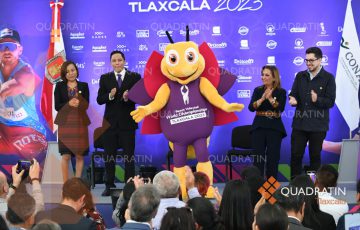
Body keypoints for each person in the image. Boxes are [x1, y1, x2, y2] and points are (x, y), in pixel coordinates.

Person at [97, 50, 141, 196]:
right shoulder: (105, 78)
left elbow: (141, 98)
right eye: (114, 61)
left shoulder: (135, 77)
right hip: (109, 125)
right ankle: (109, 185)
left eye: (119, 60)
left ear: (124, 61)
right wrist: (110, 95)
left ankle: (130, 185)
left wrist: (130, 97)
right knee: (109, 157)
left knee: (129, 156)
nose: (117, 63)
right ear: (111, 63)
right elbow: (99, 99)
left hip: (127, 124)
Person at [289, 47, 336, 179]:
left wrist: (317, 100)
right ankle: (294, 187)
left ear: (320, 60)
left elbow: (330, 102)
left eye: (311, 60)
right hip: (299, 124)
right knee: (295, 155)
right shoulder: (300, 76)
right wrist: (292, 99)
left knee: (315, 157)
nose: (308, 63)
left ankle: (315, 190)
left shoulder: (328, 78)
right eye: (306, 60)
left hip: (318, 126)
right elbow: (293, 94)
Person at [0, 28, 47, 159]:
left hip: (28, 130)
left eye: (11, 46)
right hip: (4, 131)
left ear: (20, 49)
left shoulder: (26, 72)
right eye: (2, 46)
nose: (7, 50)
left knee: (28, 173)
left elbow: (3, 92)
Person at [54, 61, 90, 182]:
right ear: (64, 74)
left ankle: (76, 183)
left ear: (76, 70)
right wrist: (68, 104)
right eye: (67, 71)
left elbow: (86, 105)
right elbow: (57, 106)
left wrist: (80, 104)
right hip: (65, 124)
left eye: (72, 70)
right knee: (66, 155)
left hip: (80, 124)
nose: (70, 73)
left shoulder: (84, 86)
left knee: (79, 155)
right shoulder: (59, 86)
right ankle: (66, 185)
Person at [248, 65, 286, 179]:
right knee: (258, 160)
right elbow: (251, 107)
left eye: (267, 75)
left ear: (274, 78)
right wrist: (262, 98)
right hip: (258, 127)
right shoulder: (257, 90)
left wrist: (270, 98)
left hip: (274, 128)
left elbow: (280, 108)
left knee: (273, 159)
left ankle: (270, 192)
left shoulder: (281, 92)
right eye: (262, 74)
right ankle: (257, 190)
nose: (263, 77)